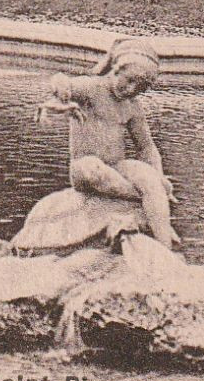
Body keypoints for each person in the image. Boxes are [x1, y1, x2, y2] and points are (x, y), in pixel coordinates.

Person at [36, 40, 177, 247]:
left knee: (147, 176)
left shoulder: (132, 106)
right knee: (95, 168)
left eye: (139, 88)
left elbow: (146, 146)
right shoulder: (92, 88)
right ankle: (147, 201)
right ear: (116, 69)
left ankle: (165, 247)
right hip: (84, 168)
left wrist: (158, 174)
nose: (131, 89)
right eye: (129, 80)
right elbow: (58, 80)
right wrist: (62, 90)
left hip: (116, 166)